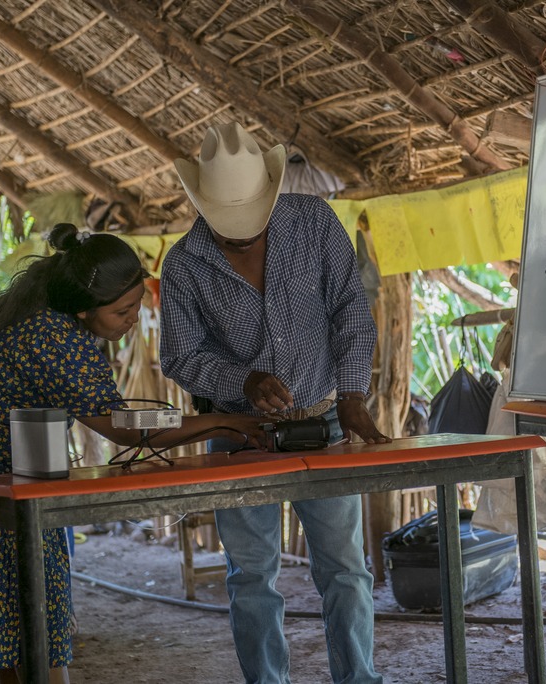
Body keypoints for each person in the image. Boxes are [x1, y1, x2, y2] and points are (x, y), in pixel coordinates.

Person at [0, 223, 266, 684]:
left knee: (12, 625)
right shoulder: (54, 338)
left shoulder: (39, 313)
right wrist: (222, 422)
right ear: (85, 311)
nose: (133, 318)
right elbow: (123, 427)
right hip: (2, 482)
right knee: (31, 620)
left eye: (139, 302)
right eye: (123, 310)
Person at [160, 121, 390, 684]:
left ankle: (358, 679)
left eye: (251, 224)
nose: (242, 236)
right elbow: (180, 357)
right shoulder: (184, 265)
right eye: (228, 228)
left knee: (346, 571)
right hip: (240, 436)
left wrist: (353, 396)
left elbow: (351, 314)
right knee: (251, 575)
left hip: (325, 420)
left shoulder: (314, 224)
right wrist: (243, 379)